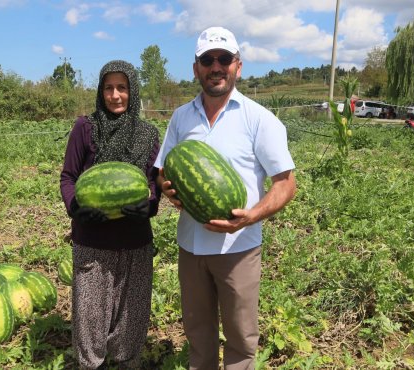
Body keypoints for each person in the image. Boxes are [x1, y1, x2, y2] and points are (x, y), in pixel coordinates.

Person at [154, 27, 297, 370]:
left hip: (239, 249)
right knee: (198, 336)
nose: (215, 66)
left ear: (238, 66)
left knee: (241, 341)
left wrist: (252, 215)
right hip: (191, 247)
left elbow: (286, 183)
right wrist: (167, 188)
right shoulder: (181, 117)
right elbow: (163, 170)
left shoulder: (259, 119)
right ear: (196, 68)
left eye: (223, 59)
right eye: (207, 60)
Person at [60, 60, 161, 369]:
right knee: (90, 325)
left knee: (131, 323)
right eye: (108, 87)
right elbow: (68, 177)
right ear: (100, 91)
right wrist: (76, 207)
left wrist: (150, 205)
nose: (115, 95)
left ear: (133, 91)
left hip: (136, 241)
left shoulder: (148, 134)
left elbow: (155, 183)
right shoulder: (85, 127)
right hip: (92, 241)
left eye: (122, 87)